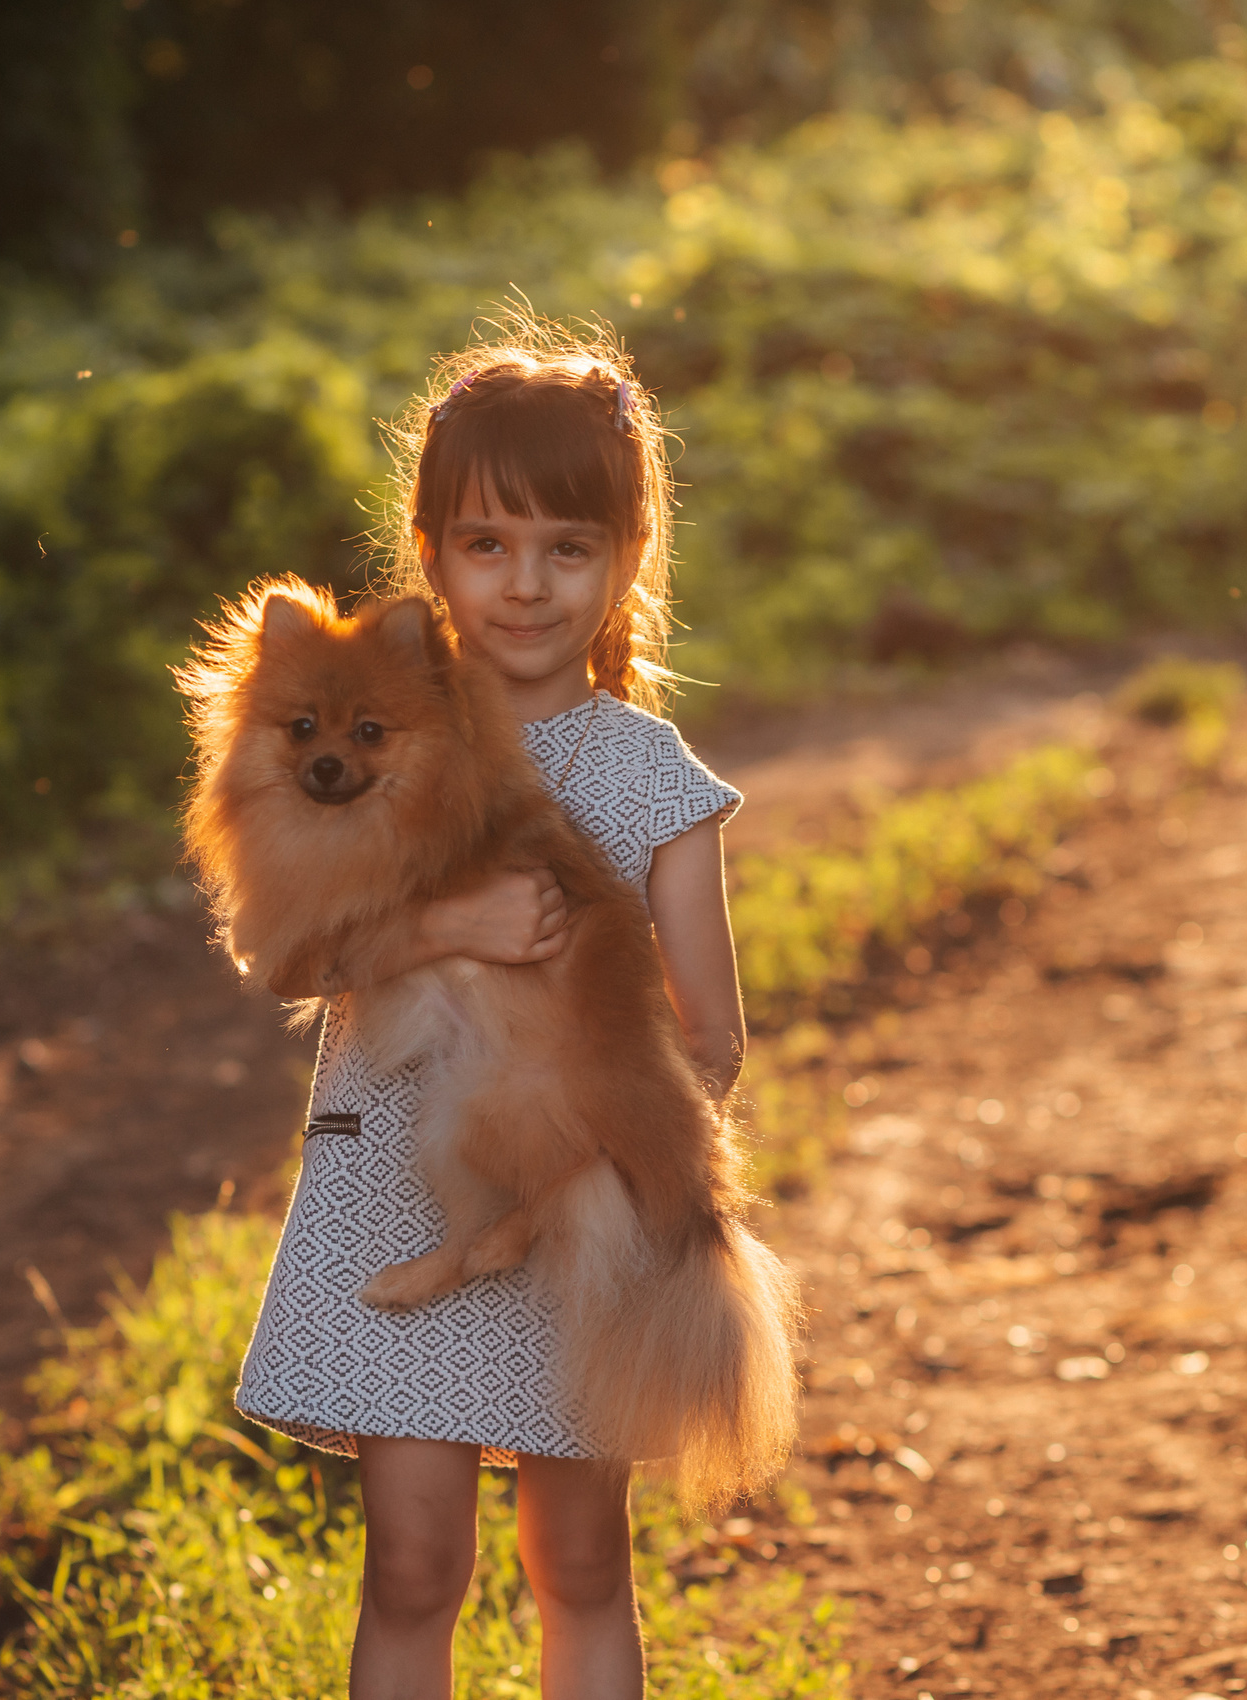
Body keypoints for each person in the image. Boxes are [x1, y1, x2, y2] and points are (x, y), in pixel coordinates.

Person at [230, 311, 749, 1700]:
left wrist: (591, 1133)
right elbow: (282, 960)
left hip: (575, 1219)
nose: (525, 584)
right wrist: (449, 924)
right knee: (412, 1569)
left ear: (627, 557)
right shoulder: (363, 722)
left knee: (579, 1569)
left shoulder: (651, 778)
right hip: (391, 1202)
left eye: (567, 548)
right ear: (432, 549)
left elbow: (710, 1040)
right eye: (487, 545)